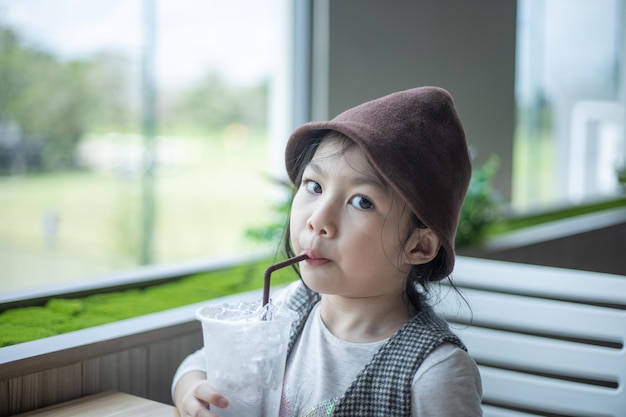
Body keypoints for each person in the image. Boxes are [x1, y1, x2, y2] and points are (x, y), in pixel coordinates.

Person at [172, 86, 483, 416]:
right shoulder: (287, 308)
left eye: (361, 202)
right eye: (314, 186)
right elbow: (200, 366)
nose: (318, 220)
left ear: (419, 245)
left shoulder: (436, 373)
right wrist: (192, 390)